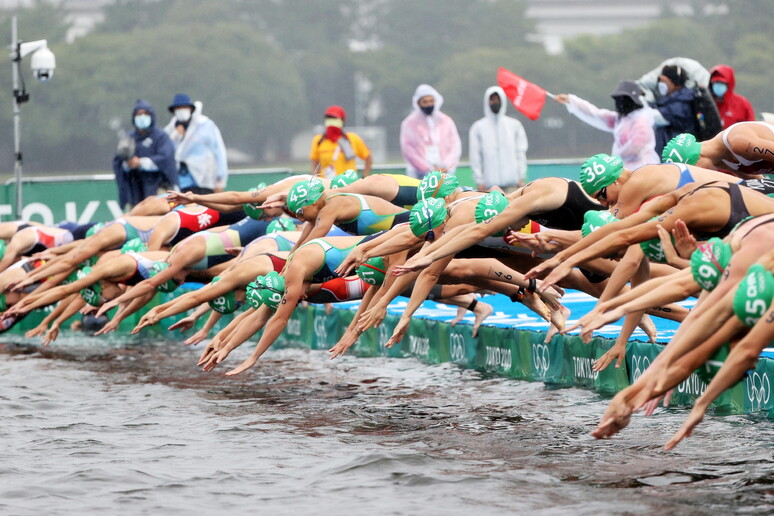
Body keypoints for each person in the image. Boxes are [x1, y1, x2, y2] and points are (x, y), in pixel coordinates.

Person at [554, 80, 658, 169]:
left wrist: (613, 160)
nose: (619, 102)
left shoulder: (641, 121)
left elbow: (636, 148)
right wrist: (571, 101)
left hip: (643, 171)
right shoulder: (620, 119)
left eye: (623, 98)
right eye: (618, 98)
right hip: (625, 172)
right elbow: (595, 114)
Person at [112, 99, 177, 210]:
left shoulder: (161, 137)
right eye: (139, 114)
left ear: (152, 116)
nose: (142, 117)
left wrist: (141, 163)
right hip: (135, 190)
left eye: (146, 114)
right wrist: (127, 164)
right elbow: (118, 162)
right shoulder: (129, 137)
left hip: (157, 187)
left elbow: (166, 159)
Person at [164, 94, 228, 195]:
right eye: (178, 108)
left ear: (190, 108)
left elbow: (219, 152)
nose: (181, 110)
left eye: (184, 107)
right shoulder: (171, 128)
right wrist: (175, 136)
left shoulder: (206, 125)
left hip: (205, 181)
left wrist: (220, 180)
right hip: (181, 182)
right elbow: (166, 152)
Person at [469, 86, 528, 192]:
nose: (495, 102)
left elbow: (520, 153)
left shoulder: (514, 125)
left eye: (498, 99)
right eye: (492, 99)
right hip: (489, 186)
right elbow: (475, 156)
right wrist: (479, 180)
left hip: (513, 184)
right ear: (487, 101)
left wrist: (521, 176)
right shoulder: (478, 127)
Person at [400, 84, 461, 178]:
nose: (429, 104)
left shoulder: (446, 121)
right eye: (425, 102)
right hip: (418, 175)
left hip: (445, 173)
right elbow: (409, 150)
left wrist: (444, 166)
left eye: (431, 101)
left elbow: (455, 146)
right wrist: (428, 168)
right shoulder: (409, 124)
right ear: (418, 103)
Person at [309, 105, 372, 178]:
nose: (331, 121)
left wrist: (364, 177)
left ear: (342, 121)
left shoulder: (352, 139)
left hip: (348, 185)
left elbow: (368, 158)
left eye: (334, 118)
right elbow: (315, 164)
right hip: (326, 185)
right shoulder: (318, 140)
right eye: (329, 118)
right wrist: (313, 180)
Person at [651, 65, 697, 156]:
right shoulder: (670, 100)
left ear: (675, 82)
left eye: (664, 81)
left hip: (679, 156)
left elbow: (657, 117)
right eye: (659, 80)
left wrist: (637, 109)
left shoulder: (684, 102)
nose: (660, 84)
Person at [708, 64, 755, 129]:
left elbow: (751, 127)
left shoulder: (742, 103)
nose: (718, 86)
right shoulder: (705, 103)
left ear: (729, 84)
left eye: (722, 83)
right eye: (716, 82)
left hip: (735, 138)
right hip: (710, 138)